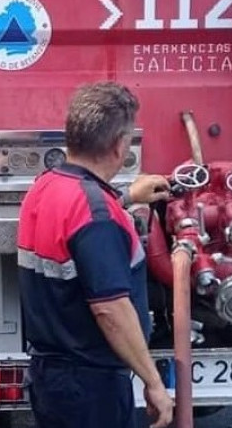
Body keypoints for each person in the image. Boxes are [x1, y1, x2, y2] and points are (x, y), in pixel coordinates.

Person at [17, 81, 174, 428]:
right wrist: (154, 382)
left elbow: (77, 230)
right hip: (90, 389)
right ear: (120, 146)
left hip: (50, 378)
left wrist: (127, 197)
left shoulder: (45, 186)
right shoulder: (97, 215)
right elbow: (110, 309)